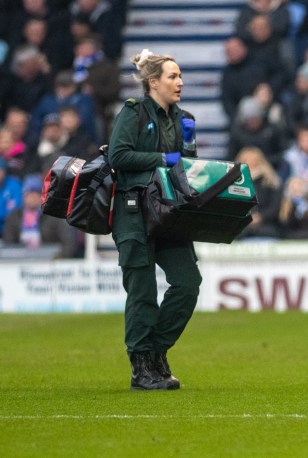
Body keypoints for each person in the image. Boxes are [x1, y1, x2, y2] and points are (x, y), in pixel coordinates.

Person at [106, 49, 200, 391]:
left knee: (188, 283)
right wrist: (164, 156)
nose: (180, 82)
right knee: (142, 292)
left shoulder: (183, 117)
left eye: (180, 76)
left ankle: (157, 352)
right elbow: (118, 156)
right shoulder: (133, 112)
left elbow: (187, 168)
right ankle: (142, 367)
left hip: (169, 212)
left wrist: (189, 147)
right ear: (153, 82)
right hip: (133, 211)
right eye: (173, 76)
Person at [2, 174, 78, 258]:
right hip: (20, 262)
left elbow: (68, 242)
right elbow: (8, 244)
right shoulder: (13, 217)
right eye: (30, 193)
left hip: (49, 263)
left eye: (37, 193)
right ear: (24, 195)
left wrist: (58, 259)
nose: (33, 197)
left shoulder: (53, 215)